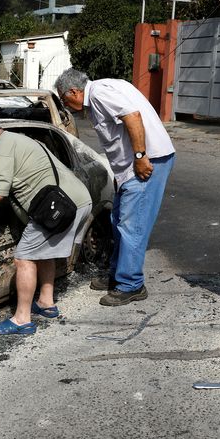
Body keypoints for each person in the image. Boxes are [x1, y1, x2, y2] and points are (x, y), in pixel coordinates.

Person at [0, 113, 92, 335]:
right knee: (43, 253)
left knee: (24, 257)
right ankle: (46, 303)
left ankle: (22, 319)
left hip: (59, 208)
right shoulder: (16, 139)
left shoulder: (1, 151)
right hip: (74, 200)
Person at [54, 68, 176, 307]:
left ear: (74, 91)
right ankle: (118, 274)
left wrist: (141, 156)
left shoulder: (99, 93)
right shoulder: (99, 93)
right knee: (118, 220)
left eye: (63, 98)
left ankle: (131, 284)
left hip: (148, 161)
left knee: (132, 225)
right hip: (131, 168)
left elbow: (133, 116)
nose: (64, 104)